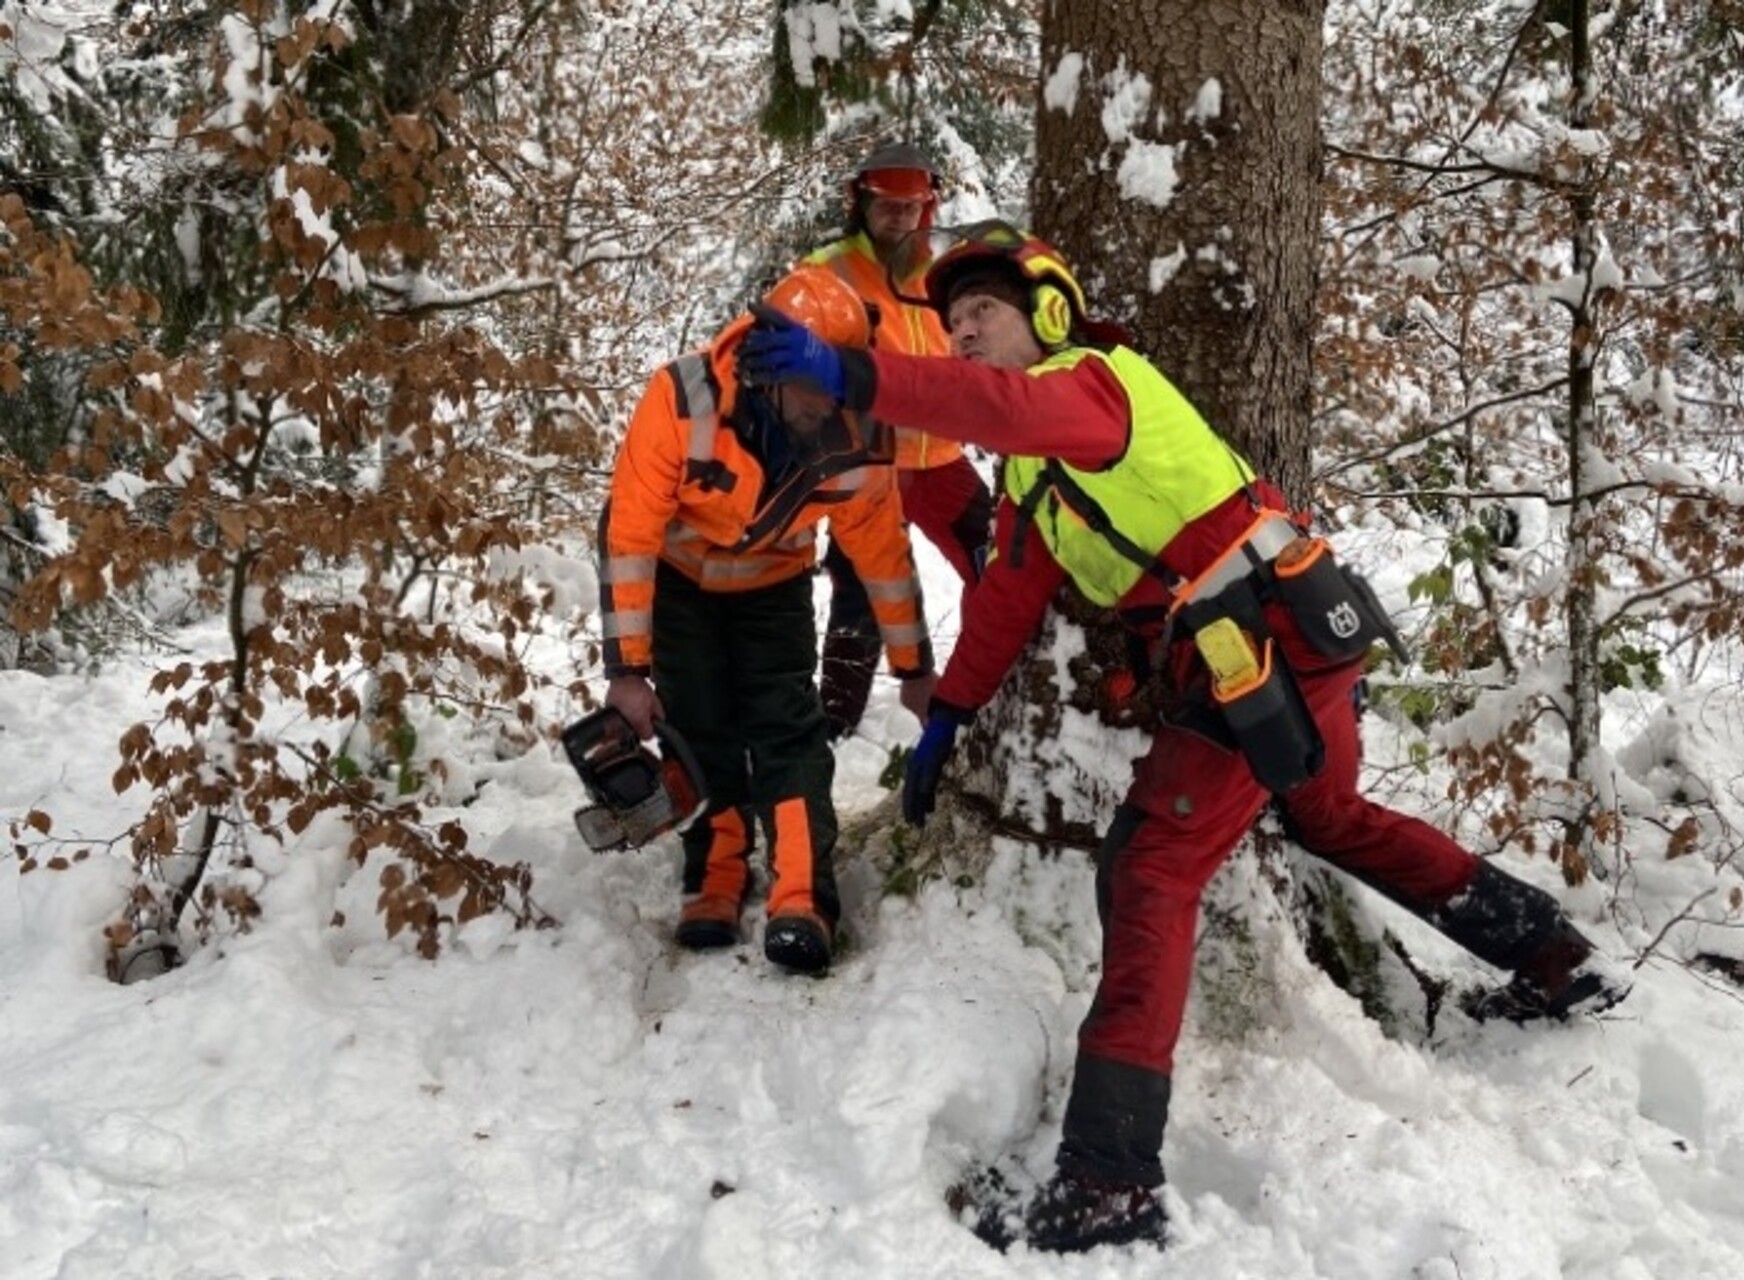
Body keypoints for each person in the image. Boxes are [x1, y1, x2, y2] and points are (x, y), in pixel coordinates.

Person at [740, 223, 1631, 1249]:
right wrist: (947, 715)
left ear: (1049, 313)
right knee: (1330, 814)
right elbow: (1008, 593)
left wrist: (848, 370)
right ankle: (1554, 951)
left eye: (983, 311)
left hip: (1260, 650)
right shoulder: (1035, 472)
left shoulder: (1094, 384)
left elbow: (992, 404)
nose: (964, 333)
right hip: (1283, 641)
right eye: (950, 323)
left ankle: (1108, 1179)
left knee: (1151, 869)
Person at [597, 266, 936, 974]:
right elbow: (630, 533)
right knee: (698, 725)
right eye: (815, 385)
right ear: (767, 370)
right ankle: (715, 877)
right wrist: (628, 671)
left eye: (839, 381)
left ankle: (802, 896)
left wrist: (913, 667)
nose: (827, 404)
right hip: (681, 586)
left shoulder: (859, 437)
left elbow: (883, 555)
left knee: (786, 727)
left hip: (774, 586)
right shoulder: (682, 399)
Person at [801, 142, 993, 739]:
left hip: (940, 458)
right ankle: (835, 723)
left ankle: (988, 687)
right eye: (888, 206)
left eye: (912, 207)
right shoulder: (826, 270)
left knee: (995, 565)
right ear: (860, 202)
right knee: (859, 595)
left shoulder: (943, 270)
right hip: (868, 463)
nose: (900, 217)